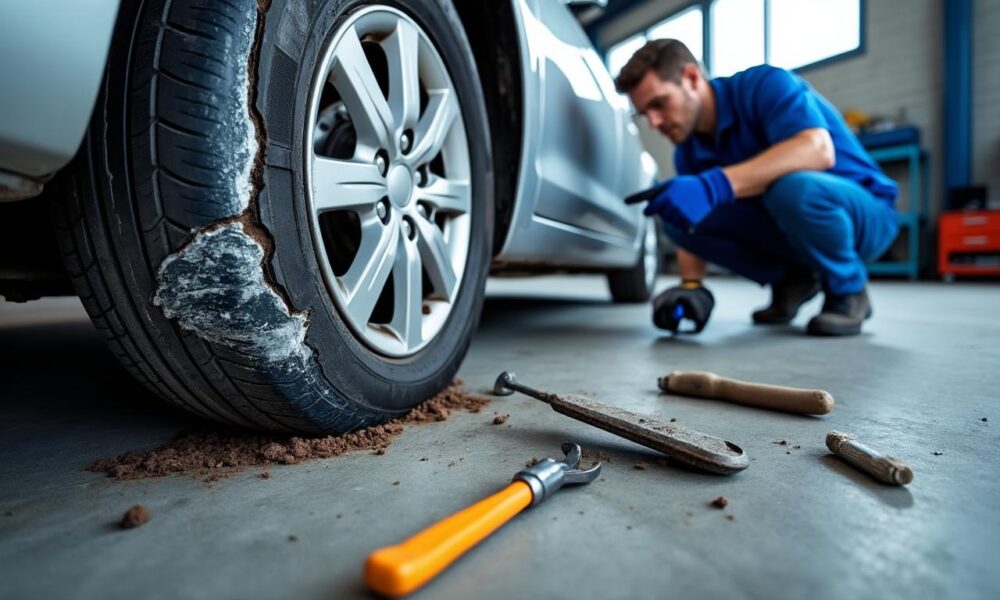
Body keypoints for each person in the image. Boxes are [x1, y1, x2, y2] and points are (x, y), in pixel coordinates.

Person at [616, 39, 899, 336]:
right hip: (790, 225)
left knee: (793, 189)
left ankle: (848, 290)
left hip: (865, 217)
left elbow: (817, 150)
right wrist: (692, 287)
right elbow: (692, 222)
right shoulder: (688, 150)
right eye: (645, 113)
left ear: (691, 77)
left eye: (659, 104)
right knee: (677, 216)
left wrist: (716, 185)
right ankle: (793, 281)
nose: (655, 122)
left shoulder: (764, 86)